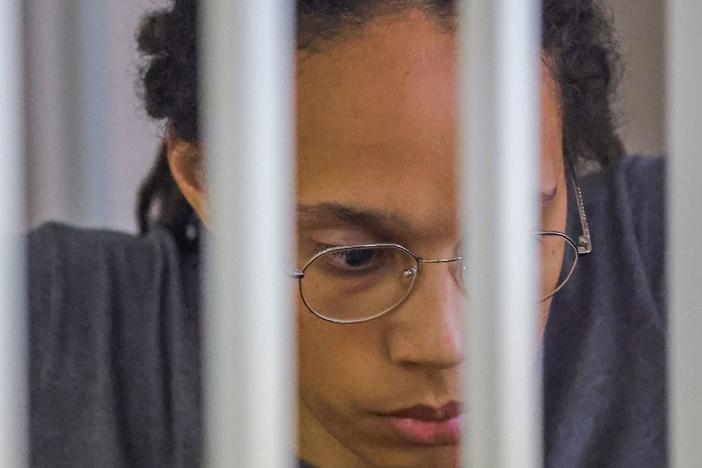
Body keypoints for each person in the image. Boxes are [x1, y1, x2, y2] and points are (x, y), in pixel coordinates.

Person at [28, 0, 667, 467]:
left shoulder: (664, 258)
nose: (444, 344)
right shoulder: (57, 334)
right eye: (355, 256)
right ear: (206, 180)